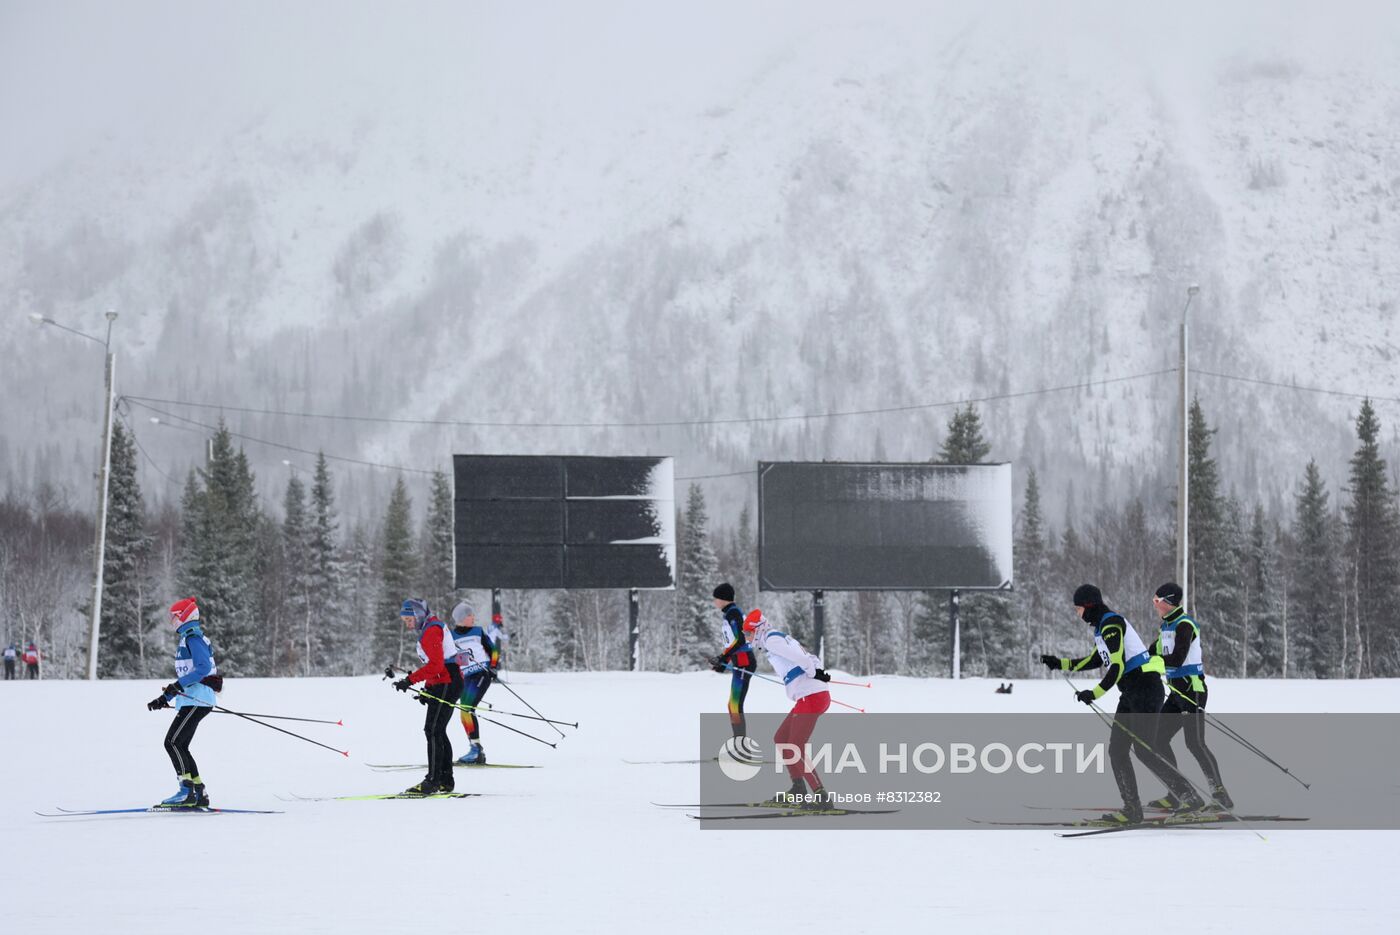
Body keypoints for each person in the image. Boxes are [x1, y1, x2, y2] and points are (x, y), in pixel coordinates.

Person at [1040, 584, 1202, 825]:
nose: (1077, 613)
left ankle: (1189, 796)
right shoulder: (1102, 628)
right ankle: (1131, 809)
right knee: (1117, 749)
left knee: (1144, 750)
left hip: (1146, 689)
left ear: (1088, 606)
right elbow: (1096, 658)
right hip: (1131, 692)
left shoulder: (1112, 623)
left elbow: (1115, 666)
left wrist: (1094, 693)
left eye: (1078, 609)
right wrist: (1060, 663)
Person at [1148, 581, 1233, 810]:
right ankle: (1177, 793)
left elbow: (1176, 659)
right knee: (1157, 740)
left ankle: (1220, 795)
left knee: (1194, 743)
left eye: (1157, 601)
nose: (1155, 605)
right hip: (1176, 692)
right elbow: (1151, 652)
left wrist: (1153, 664)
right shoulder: (1167, 626)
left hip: (1191, 690)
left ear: (1169, 602)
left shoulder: (1184, 625)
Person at [743, 608, 834, 807]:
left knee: (795, 746)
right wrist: (815, 672)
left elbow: (803, 660)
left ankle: (821, 796)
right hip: (809, 695)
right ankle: (798, 788)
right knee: (782, 739)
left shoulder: (770, 640)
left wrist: (812, 672)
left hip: (811, 696)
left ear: (757, 630)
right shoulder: (774, 639)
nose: (748, 638)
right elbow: (804, 658)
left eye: (748, 634)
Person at [146, 598, 222, 808]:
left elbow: (202, 668)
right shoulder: (188, 639)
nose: (172, 621)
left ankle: (186, 791)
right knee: (180, 744)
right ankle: (199, 792)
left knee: (172, 742)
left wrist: (176, 687)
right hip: (193, 700)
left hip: (197, 700)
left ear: (186, 616)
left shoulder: (193, 638)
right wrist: (165, 698)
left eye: (174, 617)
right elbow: (187, 676)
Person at [388, 598, 460, 795]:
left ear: (419, 615)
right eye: (405, 620)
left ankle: (433, 781)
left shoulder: (430, 631)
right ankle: (445, 781)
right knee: (437, 731)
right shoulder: (430, 628)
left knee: (434, 730)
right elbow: (437, 665)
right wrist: (428, 688)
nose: (407, 623)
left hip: (447, 681)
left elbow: (437, 666)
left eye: (409, 619)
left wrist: (410, 680)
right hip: (445, 681)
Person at [447, 600, 500, 765]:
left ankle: (476, 750)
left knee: (466, 709)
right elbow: (449, 659)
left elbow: (494, 650)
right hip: (466, 678)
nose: (473, 617)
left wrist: (493, 666)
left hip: (481, 674)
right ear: (461, 618)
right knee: (465, 711)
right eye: (470, 615)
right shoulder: (451, 636)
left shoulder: (478, 631)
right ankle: (475, 748)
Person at [708, 583, 756, 741]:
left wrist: (722, 658)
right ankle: (739, 745)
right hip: (739, 661)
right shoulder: (730, 613)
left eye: (716, 598)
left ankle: (740, 748)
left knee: (734, 705)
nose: (714, 601)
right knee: (733, 705)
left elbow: (741, 639)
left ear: (723, 598)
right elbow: (732, 642)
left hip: (744, 662)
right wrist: (723, 662)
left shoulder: (733, 613)